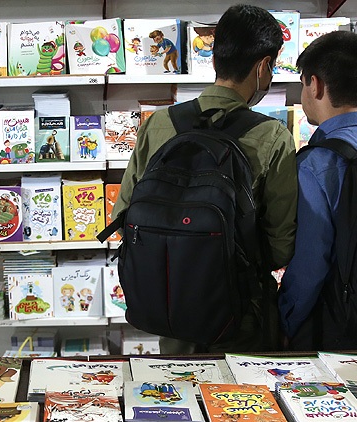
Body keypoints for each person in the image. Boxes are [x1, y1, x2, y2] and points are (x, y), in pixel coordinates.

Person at [111, 4, 298, 354]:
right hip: (239, 317)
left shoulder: (158, 124)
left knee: (177, 386)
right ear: (263, 67)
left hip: (171, 309)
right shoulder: (272, 136)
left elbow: (123, 216)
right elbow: (280, 246)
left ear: (214, 57)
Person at [278, 30, 357, 350]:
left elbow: (310, 264)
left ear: (315, 85)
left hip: (334, 327)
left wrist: (286, 322)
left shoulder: (316, 165)